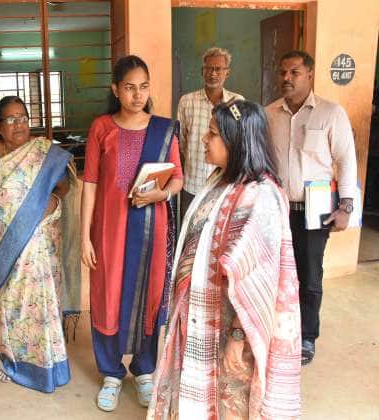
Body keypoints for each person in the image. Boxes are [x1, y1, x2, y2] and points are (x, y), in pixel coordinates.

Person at [148, 100, 301, 420]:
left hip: (231, 326)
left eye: (213, 133)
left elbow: (258, 275)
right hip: (200, 314)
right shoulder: (221, 180)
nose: (204, 139)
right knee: (201, 392)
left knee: (230, 398)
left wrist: (237, 337)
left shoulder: (260, 195)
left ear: (236, 141)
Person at [81, 55, 183, 412]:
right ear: (115, 90)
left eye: (143, 87)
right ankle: (111, 374)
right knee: (107, 294)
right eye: (129, 87)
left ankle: (144, 370)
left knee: (149, 293)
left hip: (151, 228)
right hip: (108, 231)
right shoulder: (101, 128)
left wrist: (161, 195)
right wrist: (84, 237)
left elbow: (177, 178)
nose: (138, 95)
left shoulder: (164, 130)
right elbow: (90, 184)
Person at [0, 96, 80, 393]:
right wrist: (3, 218)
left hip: (42, 239)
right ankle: (11, 359)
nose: (19, 124)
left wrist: (49, 202)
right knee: (12, 301)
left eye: (23, 118)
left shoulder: (45, 154)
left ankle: (50, 361)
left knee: (43, 299)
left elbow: (63, 186)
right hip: (6, 240)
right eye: (11, 119)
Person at [265, 50, 358, 365]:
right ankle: (279, 329)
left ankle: (306, 336)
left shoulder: (331, 113)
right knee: (277, 272)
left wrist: (346, 207)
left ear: (309, 74)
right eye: (282, 72)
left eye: (294, 72)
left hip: (315, 210)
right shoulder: (269, 113)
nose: (286, 78)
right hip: (277, 208)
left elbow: (346, 160)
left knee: (309, 275)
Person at [177, 47, 243, 219]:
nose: (213, 73)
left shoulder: (237, 102)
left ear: (227, 72)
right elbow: (181, 142)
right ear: (202, 71)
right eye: (209, 68)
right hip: (193, 184)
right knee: (190, 230)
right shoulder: (186, 101)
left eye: (218, 69)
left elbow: (239, 143)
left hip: (225, 185)